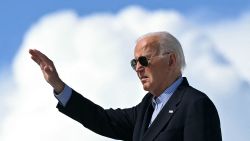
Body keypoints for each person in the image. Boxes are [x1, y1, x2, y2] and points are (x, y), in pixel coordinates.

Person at [29, 31, 222, 141]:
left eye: (144, 61)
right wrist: (59, 86)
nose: (138, 68)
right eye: (134, 63)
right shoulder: (146, 108)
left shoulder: (195, 104)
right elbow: (100, 118)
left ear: (171, 60)